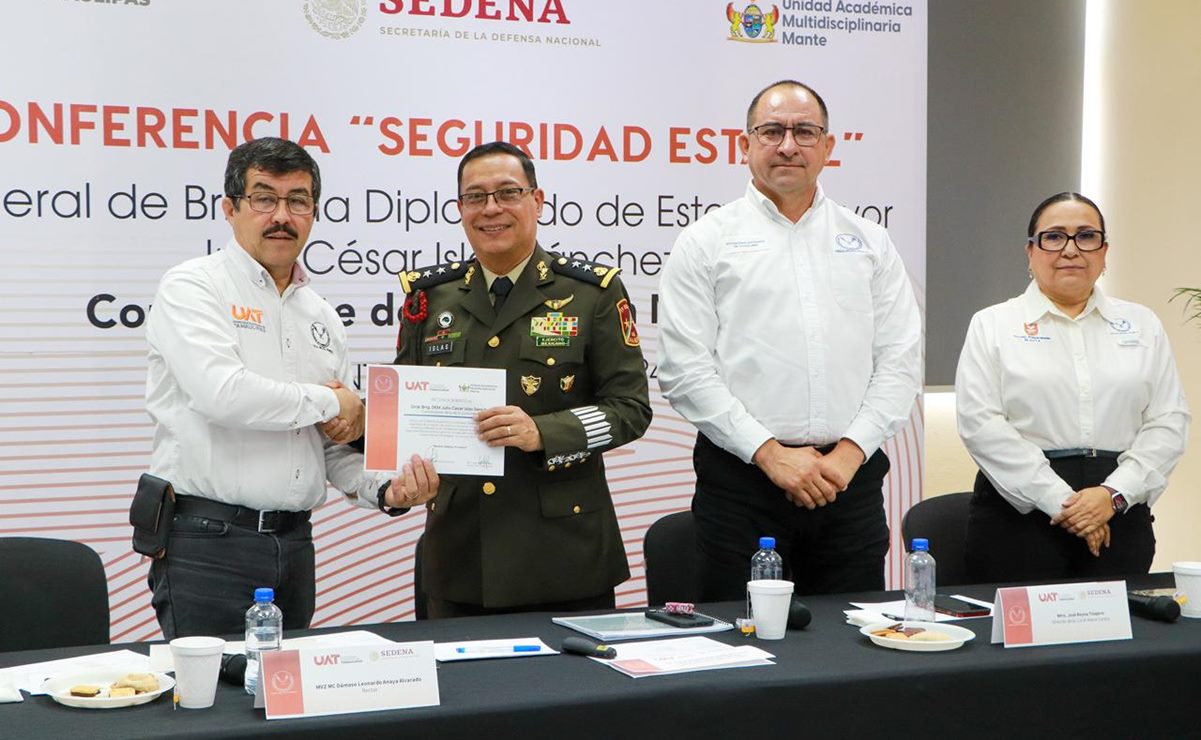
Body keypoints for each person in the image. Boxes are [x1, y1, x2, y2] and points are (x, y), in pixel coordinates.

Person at [143, 137, 435, 638]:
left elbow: (326, 443)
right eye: (264, 198)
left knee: (288, 708)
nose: (282, 215)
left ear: (313, 213)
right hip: (207, 544)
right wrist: (336, 400)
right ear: (231, 209)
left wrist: (385, 488)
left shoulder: (319, 314)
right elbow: (223, 394)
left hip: (294, 544)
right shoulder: (193, 286)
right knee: (210, 708)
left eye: (297, 200)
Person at [656, 80, 922, 600]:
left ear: (828, 147)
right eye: (771, 130)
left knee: (850, 649)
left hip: (850, 482)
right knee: (740, 646)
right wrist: (770, 454)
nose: (788, 145)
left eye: (804, 131)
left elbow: (899, 363)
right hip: (742, 485)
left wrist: (849, 454)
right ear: (744, 144)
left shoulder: (870, 242)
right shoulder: (705, 241)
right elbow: (685, 371)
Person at [391, 141, 651, 618]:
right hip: (460, 554)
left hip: (563, 556)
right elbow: (406, 415)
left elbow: (631, 409)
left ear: (538, 200)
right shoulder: (430, 299)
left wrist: (544, 433)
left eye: (508, 193)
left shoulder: (591, 293)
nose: (491, 209)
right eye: (475, 197)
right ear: (459, 209)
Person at [955, 192, 1189, 582]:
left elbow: (1169, 421)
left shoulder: (1142, 323)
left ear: (1104, 252)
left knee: (1120, 641)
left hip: (1118, 513)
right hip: (1020, 517)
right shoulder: (993, 324)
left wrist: (1112, 496)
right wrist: (1064, 503)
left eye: (1086, 236)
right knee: (1021, 641)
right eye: (1054, 237)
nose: (1070, 249)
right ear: (1030, 252)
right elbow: (982, 425)